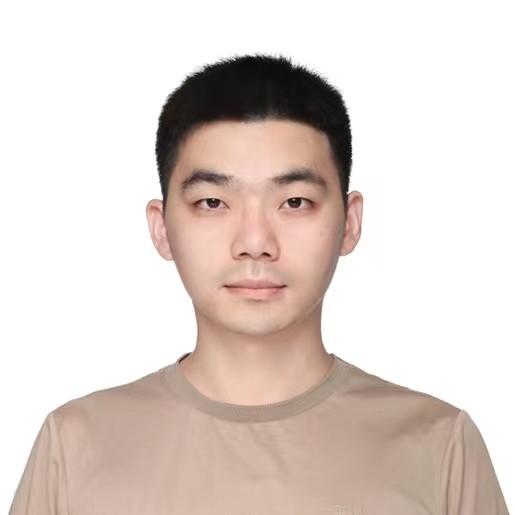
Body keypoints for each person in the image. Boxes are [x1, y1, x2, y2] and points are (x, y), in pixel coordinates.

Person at [9, 53, 510, 515]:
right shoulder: (75, 446)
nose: (254, 242)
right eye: (212, 202)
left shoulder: (440, 446)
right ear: (161, 229)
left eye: (294, 202)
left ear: (350, 222)